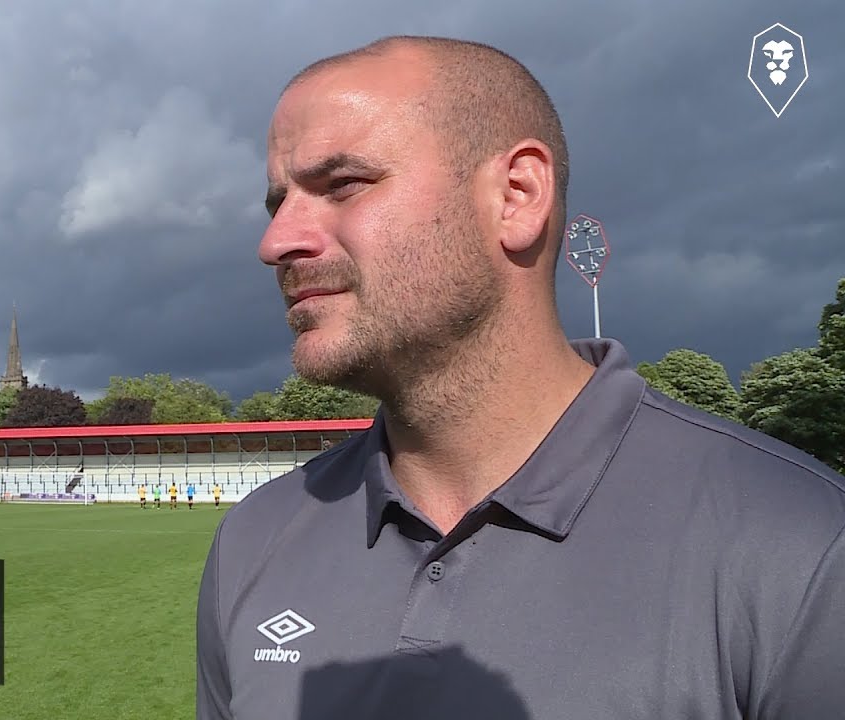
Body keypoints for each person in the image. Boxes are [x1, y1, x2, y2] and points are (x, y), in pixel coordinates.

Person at [196, 35, 845, 720]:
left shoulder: (795, 545)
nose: (276, 243)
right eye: (279, 203)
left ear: (517, 195)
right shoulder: (253, 542)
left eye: (343, 184)